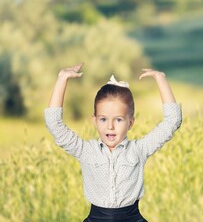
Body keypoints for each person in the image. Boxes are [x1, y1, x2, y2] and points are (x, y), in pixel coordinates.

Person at [44, 63, 182, 222]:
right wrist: (62, 79)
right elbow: (54, 123)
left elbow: (173, 121)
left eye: (118, 119)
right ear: (94, 121)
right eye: (103, 119)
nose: (110, 126)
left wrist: (161, 79)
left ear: (130, 123)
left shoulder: (139, 150)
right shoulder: (86, 151)